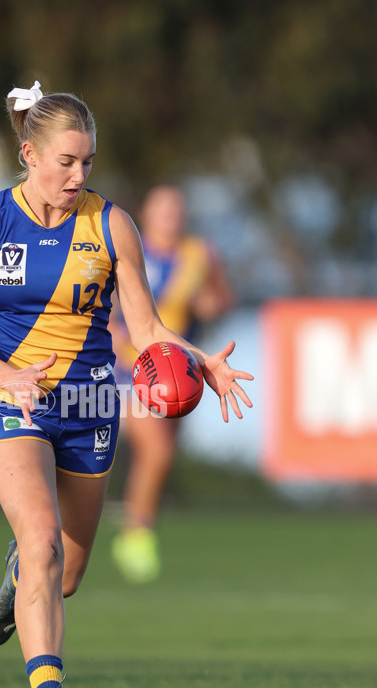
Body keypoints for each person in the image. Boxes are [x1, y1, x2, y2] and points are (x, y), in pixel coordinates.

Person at [0, 80, 253, 688]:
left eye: (87, 163)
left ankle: (17, 578)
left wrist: (201, 360)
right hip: (10, 401)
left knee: (67, 573)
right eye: (66, 162)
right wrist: (4, 376)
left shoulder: (110, 223)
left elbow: (144, 325)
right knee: (42, 539)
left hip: (89, 403)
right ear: (29, 153)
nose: (78, 175)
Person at [110, 184, 235, 582]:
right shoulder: (133, 252)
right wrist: (114, 334)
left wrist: (209, 303)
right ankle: (135, 535)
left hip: (184, 370)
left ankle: (136, 524)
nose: (171, 215)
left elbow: (221, 297)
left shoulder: (200, 254)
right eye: (162, 208)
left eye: (176, 208)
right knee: (157, 452)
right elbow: (107, 305)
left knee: (160, 456)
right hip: (134, 368)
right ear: (146, 213)